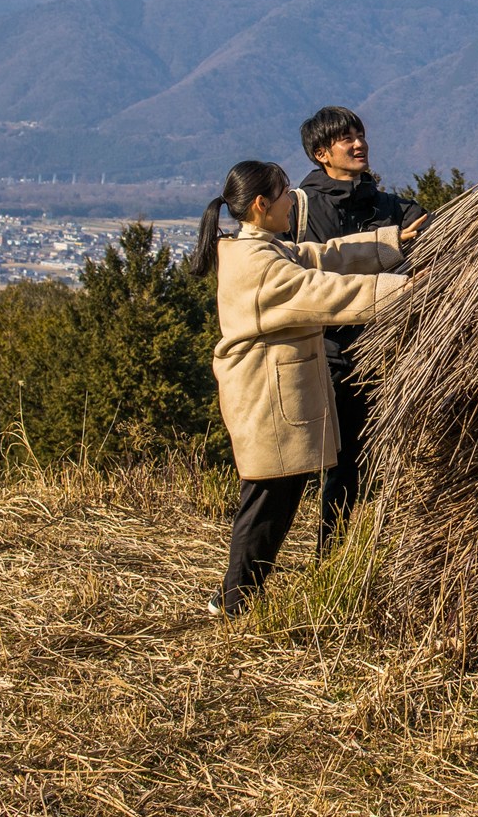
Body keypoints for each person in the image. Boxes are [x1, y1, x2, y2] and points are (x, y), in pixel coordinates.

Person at [188, 159, 421, 617]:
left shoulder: (260, 248)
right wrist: (405, 291)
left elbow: (321, 255)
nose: (293, 201)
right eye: (284, 193)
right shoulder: (258, 265)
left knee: (276, 494)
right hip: (266, 393)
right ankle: (234, 601)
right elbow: (322, 290)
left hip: (273, 388)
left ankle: (237, 597)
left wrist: (388, 242)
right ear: (261, 204)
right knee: (267, 498)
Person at [289, 106, 428, 518]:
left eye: (361, 134)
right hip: (325, 354)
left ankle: (347, 558)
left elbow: (433, 251)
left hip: (386, 355)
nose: (358, 143)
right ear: (321, 153)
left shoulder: (394, 207)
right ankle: (318, 560)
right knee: (318, 464)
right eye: (345, 138)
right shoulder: (300, 210)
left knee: (367, 465)